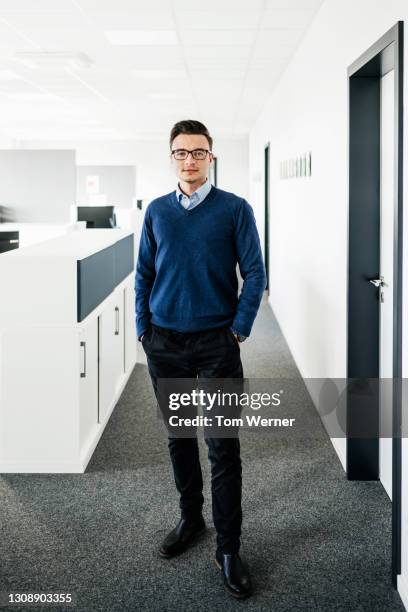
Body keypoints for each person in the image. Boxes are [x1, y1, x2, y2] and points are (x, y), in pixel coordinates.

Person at [135, 119, 266, 599]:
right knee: (179, 438)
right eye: (180, 152)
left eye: (198, 152)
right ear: (171, 157)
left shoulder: (234, 209)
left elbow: (254, 272)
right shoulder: (157, 212)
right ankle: (191, 519)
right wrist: (143, 329)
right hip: (164, 344)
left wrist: (239, 328)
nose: (189, 160)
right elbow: (144, 273)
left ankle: (228, 547)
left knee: (222, 446)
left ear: (211, 157)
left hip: (216, 344)